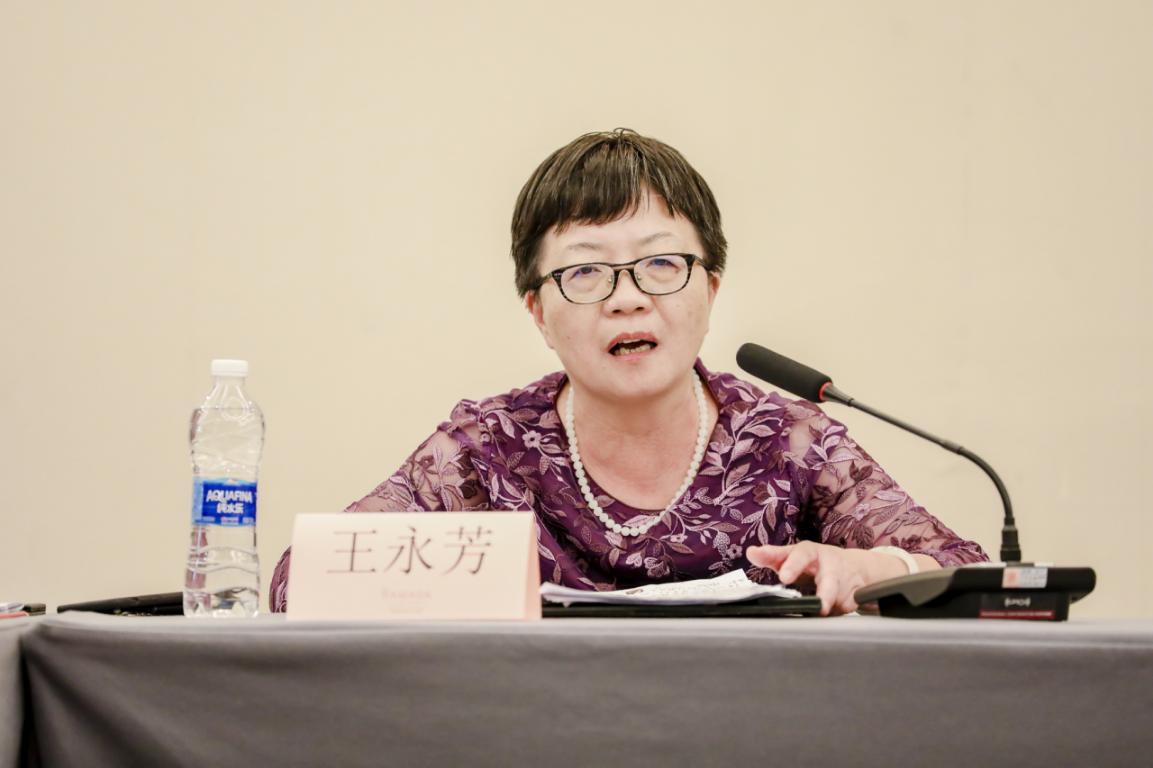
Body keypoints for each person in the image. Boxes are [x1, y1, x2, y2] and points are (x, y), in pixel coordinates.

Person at [270, 129, 987, 615]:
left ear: (710, 290)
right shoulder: (487, 449)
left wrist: (877, 570)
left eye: (661, 263)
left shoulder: (787, 442)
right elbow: (298, 582)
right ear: (537, 311)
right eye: (585, 271)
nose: (627, 297)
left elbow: (969, 576)